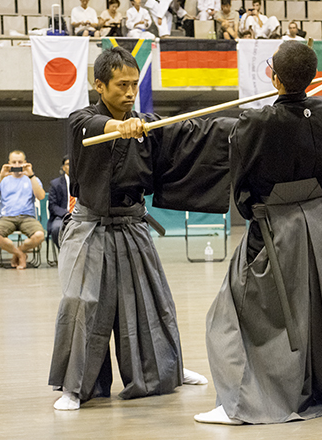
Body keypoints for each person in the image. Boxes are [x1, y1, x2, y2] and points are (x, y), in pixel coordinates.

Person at [194, 40, 322, 426]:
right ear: (312, 77)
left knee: (232, 311)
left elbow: (244, 179)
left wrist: (255, 209)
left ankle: (244, 403)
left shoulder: (257, 121)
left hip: (279, 226)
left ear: (274, 76)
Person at [49, 46, 236, 411]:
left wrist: (241, 125)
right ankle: (75, 386)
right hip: (90, 228)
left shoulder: (146, 126)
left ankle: (167, 370)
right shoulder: (83, 120)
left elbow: (192, 134)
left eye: (135, 84)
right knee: (81, 303)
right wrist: (120, 127)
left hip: (132, 224)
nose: (130, 92)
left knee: (154, 302)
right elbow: (90, 127)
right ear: (99, 85)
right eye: (121, 85)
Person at [0, 150, 45, 270]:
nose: (17, 165)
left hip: (27, 217)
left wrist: (31, 175)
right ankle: (19, 255)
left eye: (20, 162)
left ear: (25, 163)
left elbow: (41, 196)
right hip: (7, 218)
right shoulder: (4, 180)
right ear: (9, 163)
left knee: (39, 235)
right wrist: (1, 175)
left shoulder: (32, 179)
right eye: (14, 162)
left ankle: (20, 250)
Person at [48, 156, 72, 249]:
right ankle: (63, 252)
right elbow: (53, 206)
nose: (71, 167)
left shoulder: (83, 183)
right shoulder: (55, 184)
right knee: (56, 228)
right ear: (63, 167)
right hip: (62, 216)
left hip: (80, 215)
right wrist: (67, 214)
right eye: (68, 164)